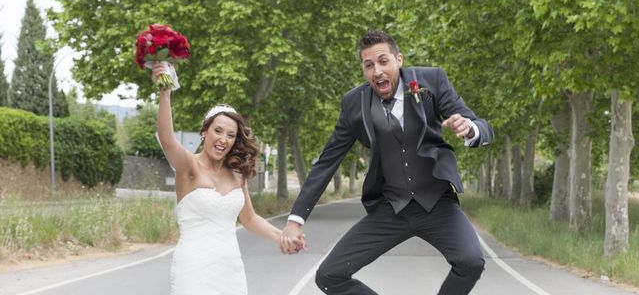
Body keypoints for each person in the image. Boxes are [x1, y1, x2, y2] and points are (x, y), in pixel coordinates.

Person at [279, 30, 494, 294]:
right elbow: (326, 163)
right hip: (392, 208)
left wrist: (469, 128)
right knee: (329, 275)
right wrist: (295, 220)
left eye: (383, 61)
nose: (377, 71)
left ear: (398, 60)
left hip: (437, 203)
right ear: (363, 70)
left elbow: (483, 127)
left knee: (471, 262)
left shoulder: (431, 81)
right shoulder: (354, 104)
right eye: (369, 65)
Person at [151, 62, 283, 295]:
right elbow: (167, 138)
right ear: (204, 132)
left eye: (231, 135)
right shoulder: (188, 167)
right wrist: (165, 91)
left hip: (230, 270)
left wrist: (282, 238)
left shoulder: (237, 174)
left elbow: (250, 219)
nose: (223, 139)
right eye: (218, 131)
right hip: (193, 269)